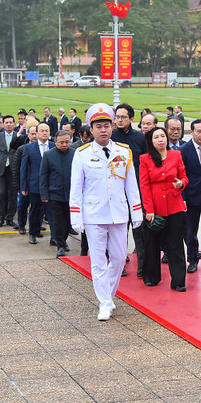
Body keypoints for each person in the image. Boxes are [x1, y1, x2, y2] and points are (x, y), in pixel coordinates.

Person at [70, 103, 142, 321]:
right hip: (93, 214)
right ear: (91, 130)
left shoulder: (123, 151)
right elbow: (76, 188)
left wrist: (136, 212)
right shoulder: (82, 154)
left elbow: (131, 185)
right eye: (98, 126)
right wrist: (76, 215)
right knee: (98, 261)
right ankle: (104, 302)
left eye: (107, 126)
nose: (103, 130)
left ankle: (108, 297)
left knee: (120, 258)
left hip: (118, 213)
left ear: (112, 128)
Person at [140, 126, 188, 289]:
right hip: (155, 205)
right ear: (151, 141)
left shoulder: (176, 155)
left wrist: (181, 184)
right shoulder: (145, 159)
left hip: (174, 204)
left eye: (162, 136)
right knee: (152, 243)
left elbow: (184, 177)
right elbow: (144, 185)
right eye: (156, 137)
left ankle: (179, 281)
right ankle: (151, 276)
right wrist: (149, 210)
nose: (160, 139)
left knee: (176, 244)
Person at [112, 103, 147, 277]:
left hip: (137, 191)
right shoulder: (111, 136)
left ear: (132, 119)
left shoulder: (140, 138)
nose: (119, 120)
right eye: (117, 117)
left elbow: (146, 162)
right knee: (120, 231)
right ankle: (120, 265)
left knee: (140, 230)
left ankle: (142, 267)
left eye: (123, 117)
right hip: (117, 191)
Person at [180, 119, 201, 273]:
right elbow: (181, 176)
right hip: (191, 197)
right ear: (191, 132)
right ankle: (192, 260)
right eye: (199, 131)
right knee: (191, 232)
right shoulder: (183, 150)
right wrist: (183, 199)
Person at [40, 130, 76, 257]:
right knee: (58, 221)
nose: (65, 144)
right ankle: (60, 245)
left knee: (68, 222)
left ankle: (64, 239)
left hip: (71, 194)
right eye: (61, 142)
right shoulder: (48, 155)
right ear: (55, 142)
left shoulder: (75, 154)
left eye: (67, 142)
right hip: (55, 194)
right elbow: (43, 176)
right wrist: (44, 194)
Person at [20, 122, 54, 245]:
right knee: (35, 210)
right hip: (35, 185)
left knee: (52, 212)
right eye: (42, 131)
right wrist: (23, 186)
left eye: (47, 130)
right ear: (37, 133)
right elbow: (23, 168)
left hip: (52, 185)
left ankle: (55, 237)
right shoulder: (29, 148)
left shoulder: (54, 146)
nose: (45, 133)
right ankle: (33, 233)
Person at [0, 114, 18, 227]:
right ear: (3, 124)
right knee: (0, 194)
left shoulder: (18, 136)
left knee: (13, 195)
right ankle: (0, 218)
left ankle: (10, 218)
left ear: (14, 124)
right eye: (6, 122)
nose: (9, 124)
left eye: (11, 122)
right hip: (0, 169)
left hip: (14, 170)